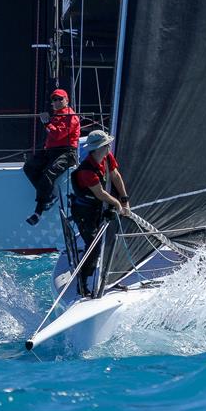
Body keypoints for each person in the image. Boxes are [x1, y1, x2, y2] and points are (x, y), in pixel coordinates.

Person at [69, 130, 129, 297]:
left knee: (110, 239)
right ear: (96, 149)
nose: (109, 146)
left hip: (99, 207)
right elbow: (100, 193)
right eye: (105, 145)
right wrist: (116, 203)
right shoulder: (86, 171)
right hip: (84, 212)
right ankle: (82, 283)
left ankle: (110, 277)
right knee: (93, 246)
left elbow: (115, 176)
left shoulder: (106, 157)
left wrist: (124, 199)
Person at [23, 89, 81, 225]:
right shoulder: (56, 116)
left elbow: (58, 135)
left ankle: (38, 212)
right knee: (29, 167)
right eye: (54, 100)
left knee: (48, 175)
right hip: (51, 152)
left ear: (67, 100)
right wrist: (49, 123)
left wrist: (47, 124)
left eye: (60, 99)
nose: (57, 102)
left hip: (67, 152)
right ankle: (49, 195)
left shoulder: (70, 116)